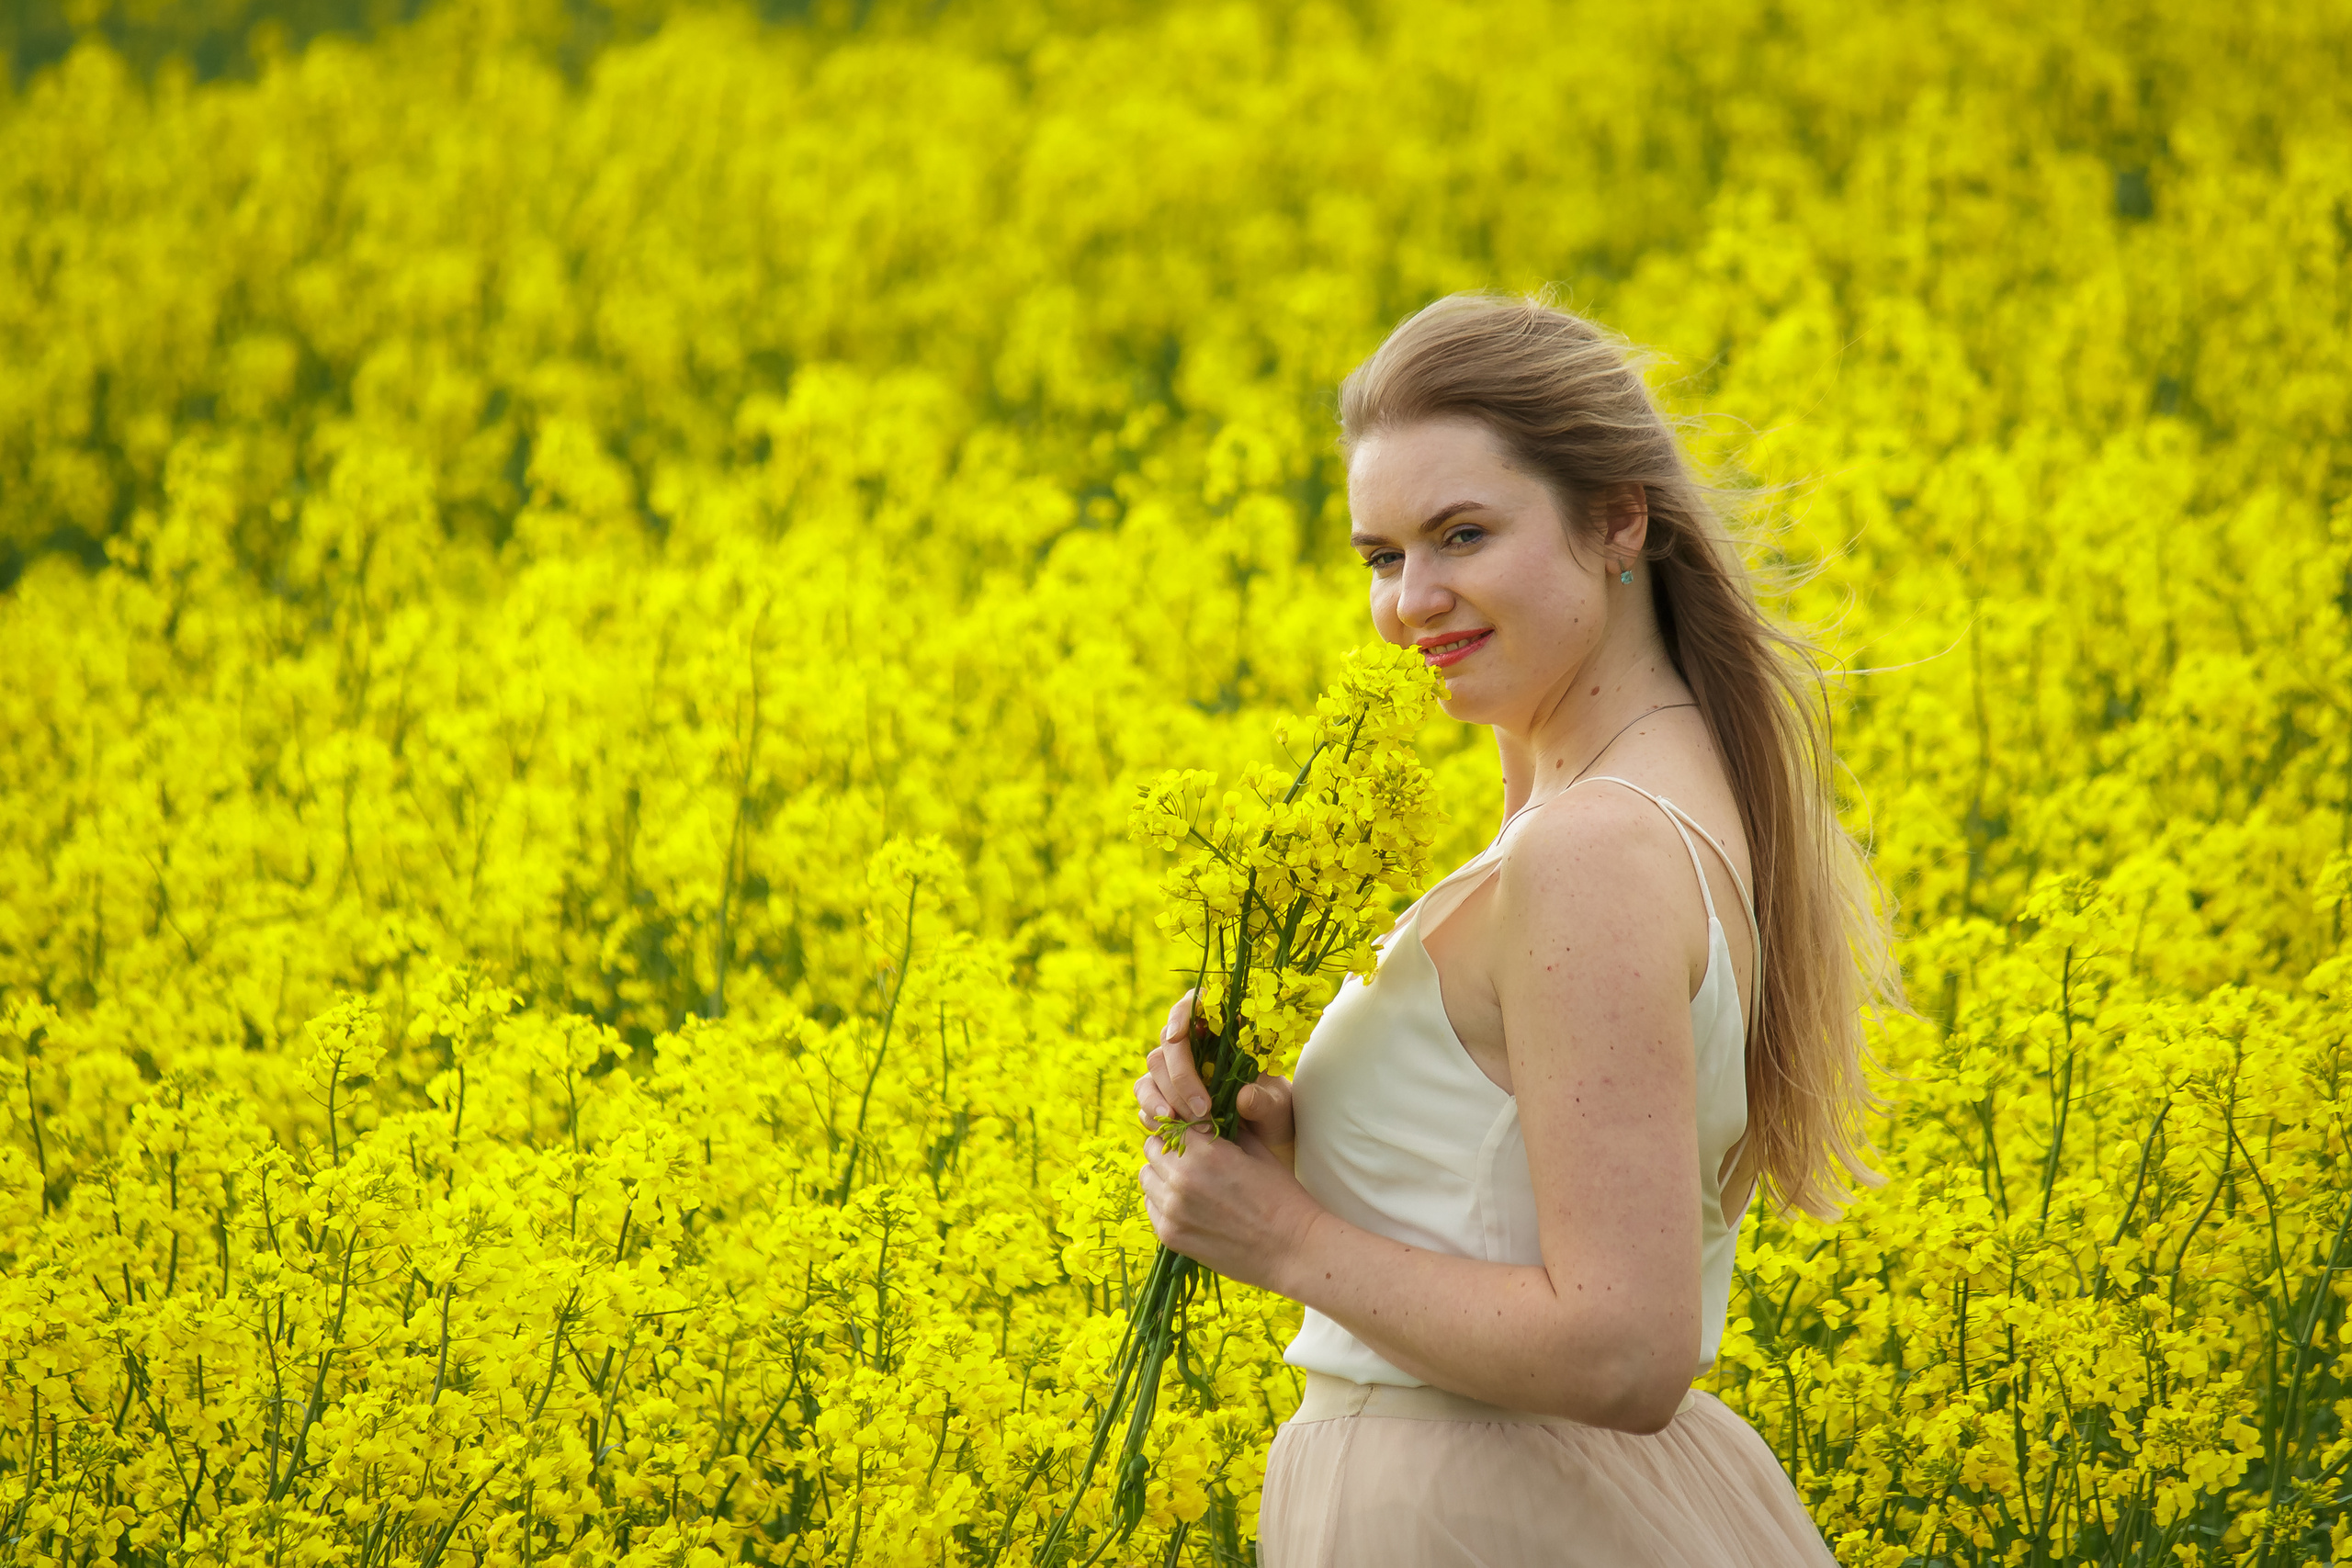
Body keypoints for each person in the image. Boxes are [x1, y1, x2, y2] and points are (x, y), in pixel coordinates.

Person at [1133, 292, 1899, 1566]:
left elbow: (1623, 1350)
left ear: (1618, 520)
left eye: (1463, 535)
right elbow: (1515, 1189)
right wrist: (1305, 1150)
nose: (1412, 601)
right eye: (1382, 557)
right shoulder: (1641, 801)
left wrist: (1281, 1238)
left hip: (1489, 1514)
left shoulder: (1591, 847)